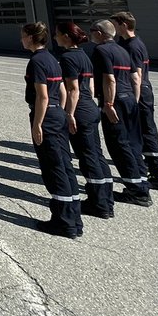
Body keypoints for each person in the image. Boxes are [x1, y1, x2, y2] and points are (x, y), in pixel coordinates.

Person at [21, 21, 83, 238]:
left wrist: (38, 124)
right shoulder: (52, 59)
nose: (21, 40)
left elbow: (43, 96)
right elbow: (64, 90)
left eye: (23, 36)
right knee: (65, 165)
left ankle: (64, 222)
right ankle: (74, 218)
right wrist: (66, 113)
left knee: (53, 167)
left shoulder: (37, 62)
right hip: (58, 113)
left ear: (30, 37)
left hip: (46, 116)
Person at [54, 22, 115, 219]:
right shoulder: (84, 55)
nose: (55, 38)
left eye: (57, 34)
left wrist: (69, 114)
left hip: (79, 110)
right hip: (91, 108)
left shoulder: (68, 58)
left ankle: (99, 203)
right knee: (96, 154)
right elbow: (88, 83)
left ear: (65, 36)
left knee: (87, 157)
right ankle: (107, 199)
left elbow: (73, 90)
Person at [90, 20, 152, 206]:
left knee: (119, 145)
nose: (90, 34)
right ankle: (142, 181)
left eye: (92, 31)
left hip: (115, 101)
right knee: (133, 142)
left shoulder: (101, 51)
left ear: (100, 33)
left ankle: (136, 191)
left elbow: (109, 79)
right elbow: (135, 77)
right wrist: (134, 99)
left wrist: (108, 104)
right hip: (130, 100)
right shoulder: (122, 50)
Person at [111, 11, 158, 193]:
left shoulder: (133, 46)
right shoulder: (124, 43)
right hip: (137, 91)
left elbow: (136, 76)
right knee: (139, 133)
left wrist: (134, 102)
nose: (113, 28)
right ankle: (144, 170)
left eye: (114, 24)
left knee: (147, 132)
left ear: (123, 25)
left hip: (139, 93)